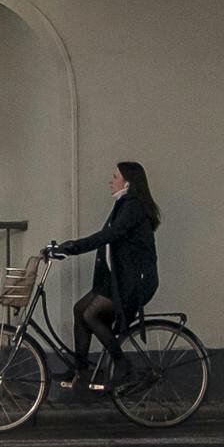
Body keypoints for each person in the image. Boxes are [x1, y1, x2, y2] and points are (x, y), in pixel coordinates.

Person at [42, 160, 159, 388]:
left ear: (127, 182)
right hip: (118, 280)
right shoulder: (123, 204)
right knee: (79, 309)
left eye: (115, 177)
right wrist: (63, 249)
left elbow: (108, 236)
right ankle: (81, 371)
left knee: (90, 315)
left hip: (134, 282)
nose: (110, 181)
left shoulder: (132, 207)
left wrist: (71, 247)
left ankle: (123, 365)